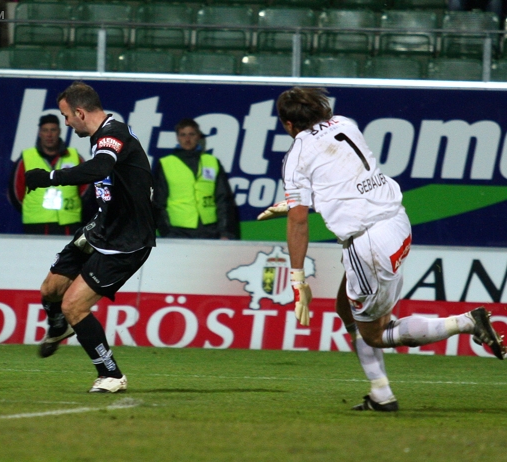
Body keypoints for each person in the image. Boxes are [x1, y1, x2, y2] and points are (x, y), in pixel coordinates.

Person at [259, 87, 505, 412]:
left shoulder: (297, 155)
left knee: (375, 334)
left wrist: (297, 277)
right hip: (396, 222)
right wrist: (295, 203)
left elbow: (299, 222)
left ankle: (467, 323)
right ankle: (380, 394)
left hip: (368, 244)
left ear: (288, 124)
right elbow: (345, 186)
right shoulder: (344, 124)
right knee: (345, 306)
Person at [24, 81, 156, 393]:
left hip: (126, 242)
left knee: (73, 305)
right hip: (101, 229)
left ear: (80, 113)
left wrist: (50, 178)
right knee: (50, 289)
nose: (65, 122)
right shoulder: (102, 135)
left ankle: (111, 374)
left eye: (66, 116)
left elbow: (99, 168)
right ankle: (57, 328)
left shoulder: (113, 134)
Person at [153, 118, 238, 240]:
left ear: (198, 136)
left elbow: (224, 199)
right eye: (183, 135)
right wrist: (167, 232)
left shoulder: (212, 162)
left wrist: (226, 232)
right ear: (177, 137)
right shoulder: (166, 164)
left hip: (210, 229)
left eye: (191, 134)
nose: (187, 139)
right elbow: (158, 203)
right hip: (178, 231)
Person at [9, 114, 87, 235]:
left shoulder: (74, 156)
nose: (49, 135)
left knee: (67, 254)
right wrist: (32, 210)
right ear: (40, 133)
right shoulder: (27, 158)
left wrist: (73, 207)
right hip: (36, 224)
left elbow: (86, 189)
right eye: (45, 130)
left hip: (69, 222)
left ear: (59, 132)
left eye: (53, 130)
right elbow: (15, 193)